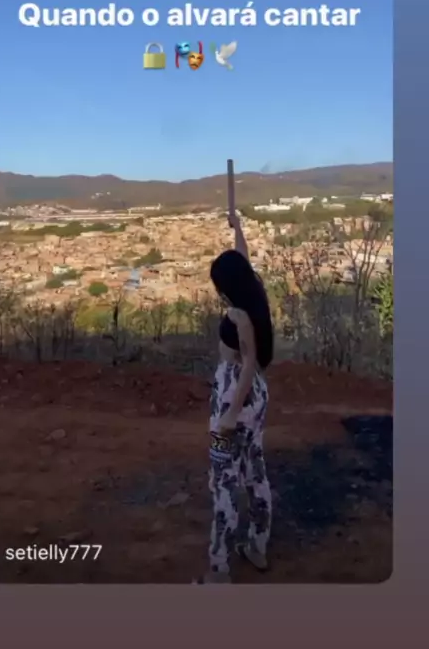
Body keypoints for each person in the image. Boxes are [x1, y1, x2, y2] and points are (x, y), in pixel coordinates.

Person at [200, 211, 274, 584]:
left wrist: (228, 414)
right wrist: (238, 227)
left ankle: (219, 570)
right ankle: (257, 546)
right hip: (257, 395)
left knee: (223, 479)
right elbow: (242, 259)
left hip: (234, 396)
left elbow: (246, 364)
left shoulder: (239, 316)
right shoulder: (253, 289)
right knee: (255, 469)